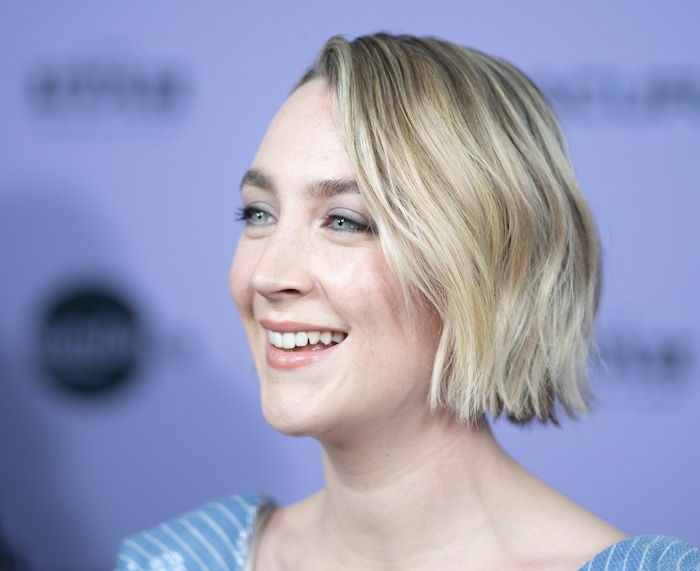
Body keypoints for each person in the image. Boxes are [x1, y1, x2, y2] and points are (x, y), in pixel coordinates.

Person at [115, 33, 700, 571]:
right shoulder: (176, 559)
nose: (268, 274)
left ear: (490, 264)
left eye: (344, 220)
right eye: (258, 213)